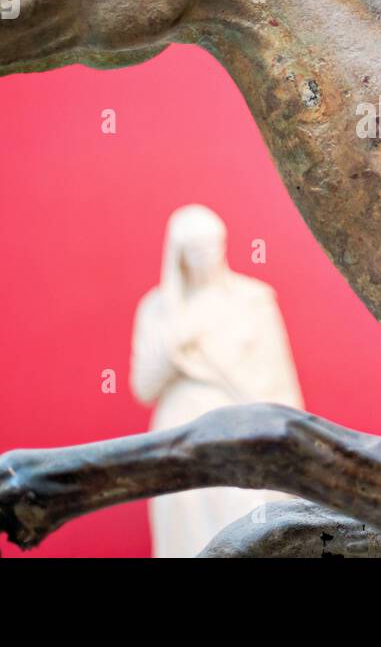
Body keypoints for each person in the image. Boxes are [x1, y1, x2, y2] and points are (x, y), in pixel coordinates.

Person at [130, 205, 304, 555]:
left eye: (214, 246)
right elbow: (143, 386)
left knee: (246, 523)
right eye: (197, 251)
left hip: (242, 429)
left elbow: (280, 381)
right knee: (186, 532)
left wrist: (292, 448)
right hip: (180, 431)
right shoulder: (159, 308)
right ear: (179, 255)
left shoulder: (252, 300)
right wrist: (174, 345)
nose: (208, 257)